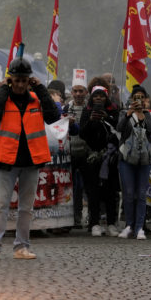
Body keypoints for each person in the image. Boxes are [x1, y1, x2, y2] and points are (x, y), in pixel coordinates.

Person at [0, 57, 59, 260]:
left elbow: (53, 116)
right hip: (6, 161)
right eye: (16, 80)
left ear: (29, 80)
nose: (20, 84)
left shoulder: (36, 99)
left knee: (26, 208)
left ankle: (21, 247)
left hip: (31, 161)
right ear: (10, 80)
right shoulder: (2, 98)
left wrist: (41, 88)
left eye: (24, 80)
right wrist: (3, 89)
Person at [79, 81, 121, 237]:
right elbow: (82, 133)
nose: (98, 99)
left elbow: (119, 130)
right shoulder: (86, 111)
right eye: (95, 96)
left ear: (106, 98)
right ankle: (94, 223)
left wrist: (107, 118)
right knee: (93, 191)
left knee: (110, 191)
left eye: (101, 96)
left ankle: (111, 223)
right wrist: (91, 120)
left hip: (109, 157)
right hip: (91, 157)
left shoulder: (114, 111)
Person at [116, 85, 151, 240]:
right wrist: (129, 113)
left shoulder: (149, 115)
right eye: (136, 98)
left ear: (145, 100)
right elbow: (119, 128)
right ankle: (129, 225)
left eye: (141, 97)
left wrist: (144, 114)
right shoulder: (124, 113)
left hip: (144, 160)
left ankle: (139, 227)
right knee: (128, 193)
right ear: (131, 99)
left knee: (141, 194)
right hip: (126, 159)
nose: (138, 100)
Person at [65, 76, 89, 229]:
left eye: (81, 91)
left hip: (86, 153)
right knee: (71, 188)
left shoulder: (89, 108)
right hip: (70, 152)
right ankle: (73, 217)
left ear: (86, 92)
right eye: (76, 91)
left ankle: (87, 217)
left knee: (87, 187)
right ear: (72, 92)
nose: (78, 94)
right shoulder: (66, 108)